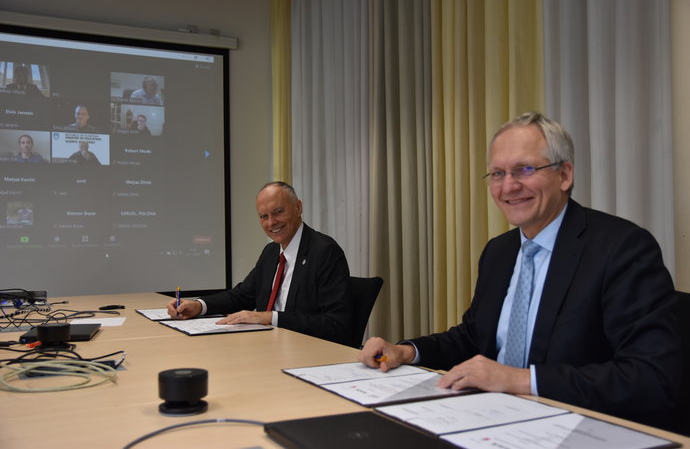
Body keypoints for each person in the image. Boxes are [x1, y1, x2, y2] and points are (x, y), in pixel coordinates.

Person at [359, 112, 681, 428]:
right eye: (497, 174)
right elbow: (474, 337)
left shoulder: (621, 248)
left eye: (524, 169)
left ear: (565, 175)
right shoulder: (499, 251)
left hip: (575, 428)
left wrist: (521, 380)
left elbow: (651, 377)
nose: (508, 186)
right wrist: (405, 351)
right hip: (493, 421)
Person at [166, 181, 352, 345]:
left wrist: (270, 317)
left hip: (306, 351)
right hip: (268, 345)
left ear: (298, 207)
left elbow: (336, 324)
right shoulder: (271, 252)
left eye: (278, 212)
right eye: (264, 216)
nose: (271, 222)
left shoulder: (325, 251)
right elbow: (240, 296)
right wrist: (199, 306)